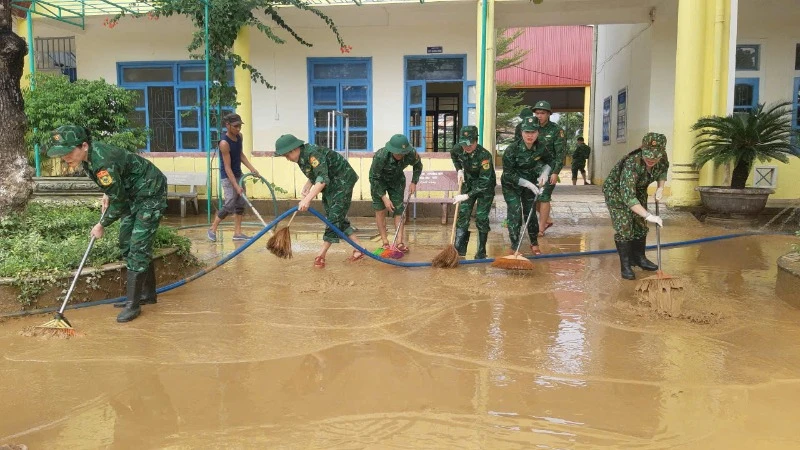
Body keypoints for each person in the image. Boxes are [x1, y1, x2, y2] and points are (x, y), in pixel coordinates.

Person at [46, 125, 167, 323]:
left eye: (68, 152)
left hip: (149, 193)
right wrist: (108, 192)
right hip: (131, 193)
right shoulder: (88, 159)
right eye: (62, 154)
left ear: (84, 145)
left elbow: (118, 201)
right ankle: (147, 294)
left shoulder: (101, 162)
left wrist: (101, 224)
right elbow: (115, 180)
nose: (65, 157)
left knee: (138, 246)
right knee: (126, 243)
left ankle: (132, 305)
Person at [274, 134, 366, 268]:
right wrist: (307, 185)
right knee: (336, 216)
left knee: (334, 218)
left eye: (286, 155)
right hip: (331, 184)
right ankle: (359, 248)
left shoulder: (313, 153)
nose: (287, 159)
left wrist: (307, 199)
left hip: (342, 181)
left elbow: (322, 178)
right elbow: (315, 174)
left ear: (293, 150)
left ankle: (321, 255)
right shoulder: (301, 157)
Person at [602, 132, 669, 280]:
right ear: (642, 149)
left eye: (655, 157)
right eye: (648, 156)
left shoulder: (662, 158)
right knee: (625, 225)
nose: (651, 159)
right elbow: (628, 197)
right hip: (617, 192)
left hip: (638, 189)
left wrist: (660, 188)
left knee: (639, 224)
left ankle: (640, 258)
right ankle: (626, 265)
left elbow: (663, 171)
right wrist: (649, 215)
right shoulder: (632, 163)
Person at [500, 117, 553, 256]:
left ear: (538, 132)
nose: (530, 135)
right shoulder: (512, 149)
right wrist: (526, 183)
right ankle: (514, 245)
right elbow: (508, 174)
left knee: (530, 214)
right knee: (515, 214)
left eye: (533, 132)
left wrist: (545, 173)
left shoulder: (541, 146)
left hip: (530, 186)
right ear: (521, 132)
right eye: (527, 132)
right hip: (511, 186)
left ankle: (534, 243)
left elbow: (550, 161)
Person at [207, 113, 260, 242]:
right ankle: (212, 229)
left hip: (238, 175)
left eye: (239, 126)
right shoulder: (224, 143)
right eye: (235, 126)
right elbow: (227, 167)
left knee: (240, 203)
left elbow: (240, 155)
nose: (238, 129)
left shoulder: (239, 137)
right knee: (230, 203)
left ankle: (237, 233)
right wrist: (236, 186)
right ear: (227, 125)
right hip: (228, 177)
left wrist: (252, 168)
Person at [368, 134, 422, 253]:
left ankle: (399, 242)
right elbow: (373, 178)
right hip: (379, 182)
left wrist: (414, 182)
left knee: (399, 210)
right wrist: (384, 197)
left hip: (396, 181)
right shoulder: (381, 156)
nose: (400, 155)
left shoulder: (411, 153)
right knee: (380, 210)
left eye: (402, 153)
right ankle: (385, 242)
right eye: (397, 153)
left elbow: (418, 165)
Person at [451, 126, 496, 259]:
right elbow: (454, 156)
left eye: (470, 144)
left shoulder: (484, 155)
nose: (467, 147)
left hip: (485, 188)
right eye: (464, 144)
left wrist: (466, 195)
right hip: (468, 184)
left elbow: (484, 182)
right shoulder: (458, 148)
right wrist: (459, 169)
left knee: (481, 218)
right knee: (463, 214)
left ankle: (481, 251)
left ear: (476, 141)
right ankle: (459, 250)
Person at [531, 100, 567, 236]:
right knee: (533, 196)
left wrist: (556, 172)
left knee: (544, 196)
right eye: (537, 113)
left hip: (549, 168)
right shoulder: (532, 127)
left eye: (542, 113)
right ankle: (547, 219)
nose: (539, 115)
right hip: (533, 168)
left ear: (549, 114)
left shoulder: (556, 130)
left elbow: (560, 154)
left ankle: (540, 228)